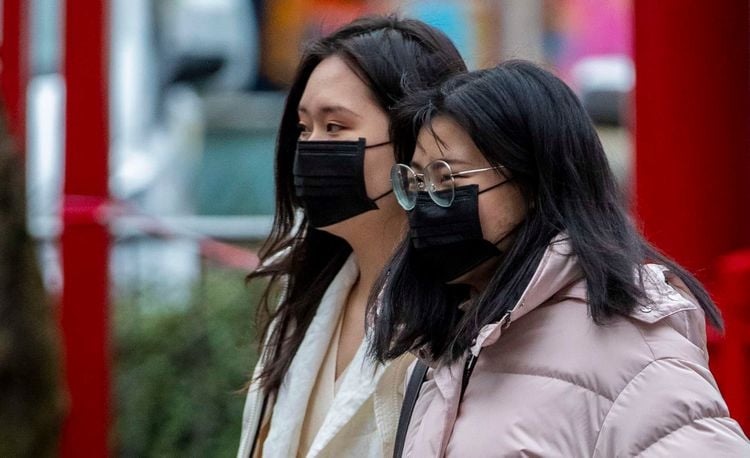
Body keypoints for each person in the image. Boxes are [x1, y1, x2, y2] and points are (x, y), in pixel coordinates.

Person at [369, 60, 750, 457]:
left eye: (448, 178)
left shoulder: (631, 351)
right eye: (417, 182)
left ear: (534, 181)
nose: (428, 202)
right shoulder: (453, 337)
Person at [236, 16, 466, 458]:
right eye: (304, 129)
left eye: (335, 127)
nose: (310, 147)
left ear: (418, 140)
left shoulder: (466, 314)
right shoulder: (304, 291)